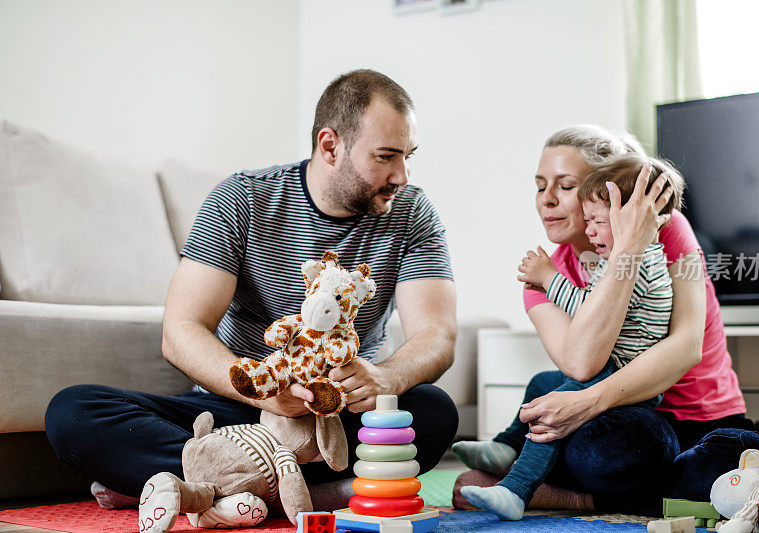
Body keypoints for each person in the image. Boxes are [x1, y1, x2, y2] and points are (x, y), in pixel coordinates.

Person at [44, 69, 459, 514]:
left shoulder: (413, 213)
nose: (402, 174)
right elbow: (181, 330)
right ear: (330, 145)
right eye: (386, 157)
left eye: (408, 156)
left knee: (434, 411)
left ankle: (204, 486)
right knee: (73, 412)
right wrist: (263, 394)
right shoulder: (240, 199)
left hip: (338, 420)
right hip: (238, 410)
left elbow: (436, 334)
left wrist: (387, 378)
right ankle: (307, 492)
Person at [453, 125, 759, 516]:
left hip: (696, 418)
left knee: (746, 452)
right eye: (540, 187)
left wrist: (630, 246)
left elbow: (687, 346)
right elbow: (582, 363)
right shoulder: (543, 276)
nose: (547, 201)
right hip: (619, 421)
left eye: (567, 186)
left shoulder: (667, 230)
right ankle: (647, 493)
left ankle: (567, 497)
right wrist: (624, 250)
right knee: (610, 449)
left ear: (613, 193)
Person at [458, 155, 682, 520]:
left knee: (553, 409)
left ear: (633, 219)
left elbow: (584, 309)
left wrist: (549, 279)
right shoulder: (618, 262)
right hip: (606, 369)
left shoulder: (634, 265)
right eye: (588, 221)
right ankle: (506, 446)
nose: (591, 232)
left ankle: (515, 490)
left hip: (621, 376)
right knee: (542, 382)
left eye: (597, 221)